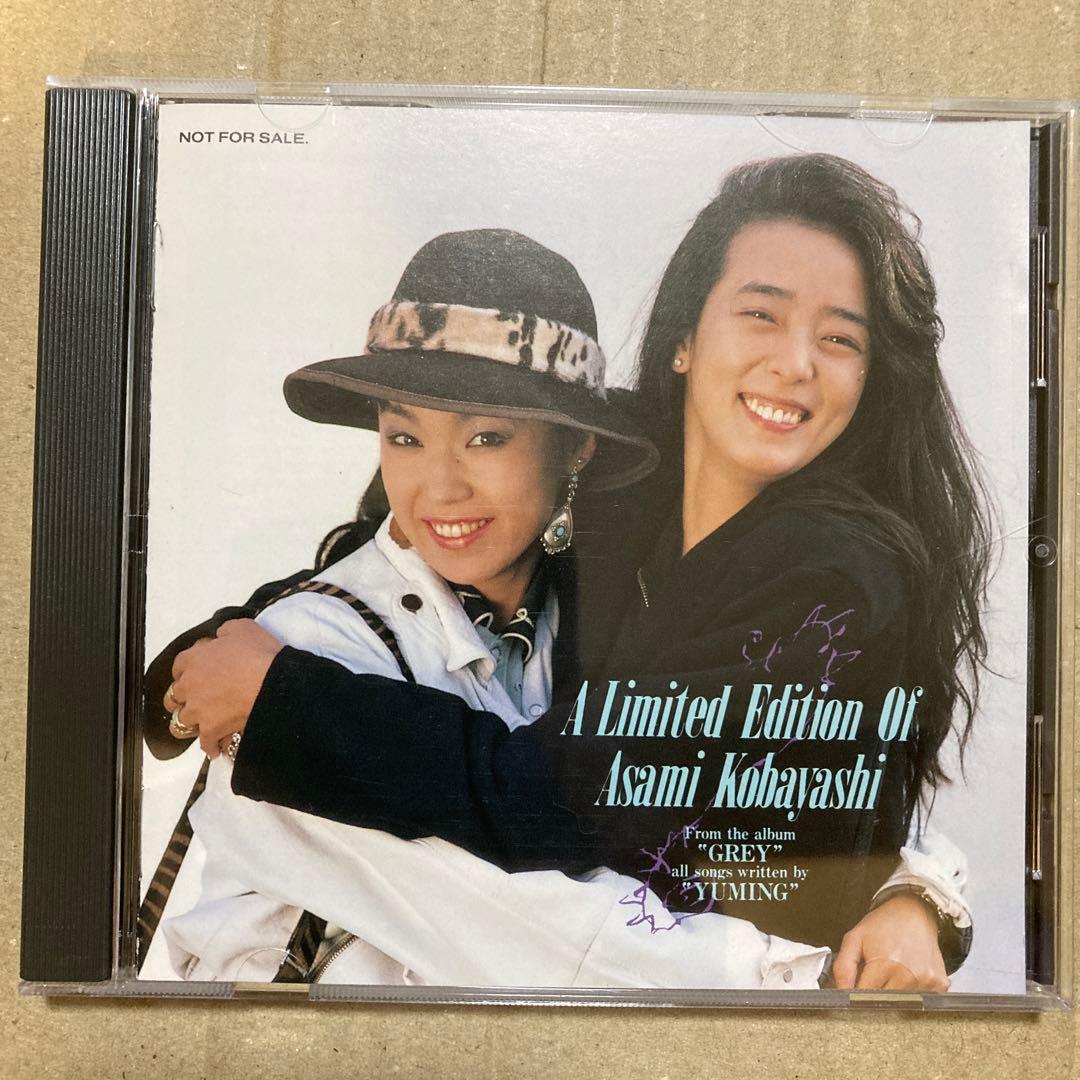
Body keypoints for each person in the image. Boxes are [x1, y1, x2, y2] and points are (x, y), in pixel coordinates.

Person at [157, 155, 986, 990]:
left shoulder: (833, 575)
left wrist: (919, 894)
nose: (795, 362)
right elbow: (373, 556)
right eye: (761, 314)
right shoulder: (618, 491)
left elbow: (569, 799)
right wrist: (218, 655)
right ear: (684, 340)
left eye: (840, 336)